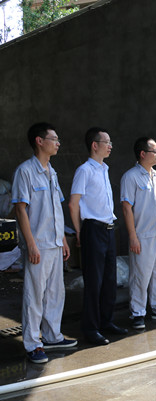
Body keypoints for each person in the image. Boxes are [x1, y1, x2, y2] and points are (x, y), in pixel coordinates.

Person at [12, 122, 77, 363]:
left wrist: (64, 239)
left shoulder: (52, 172)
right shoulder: (25, 171)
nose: (58, 143)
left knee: (55, 293)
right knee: (34, 295)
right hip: (38, 243)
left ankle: (52, 336)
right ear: (40, 141)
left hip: (55, 243)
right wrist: (30, 244)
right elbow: (20, 210)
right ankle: (32, 344)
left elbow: (56, 209)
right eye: (54, 139)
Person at [69, 127, 127, 346]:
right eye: (106, 142)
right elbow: (73, 203)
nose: (110, 146)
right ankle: (90, 328)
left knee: (109, 280)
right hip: (92, 229)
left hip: (108, 229)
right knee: (94, 282)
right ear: (95, 145)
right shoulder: (84, 170)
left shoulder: (104, 169)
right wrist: (79, 231)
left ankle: (106, 321)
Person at [121, 137, 156, 330]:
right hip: (143, 235)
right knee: (141, 275)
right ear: (142, 154)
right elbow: (127, 208)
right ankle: (137, 312)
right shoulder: (131, 177)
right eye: (154, 151)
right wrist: (133, 236)